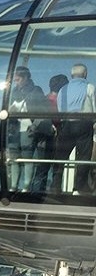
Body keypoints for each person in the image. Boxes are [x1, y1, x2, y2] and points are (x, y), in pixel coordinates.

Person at [51, 64, 95, 195]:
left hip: (66, 126)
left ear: (71, 75)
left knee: (61, 156)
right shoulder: (89, 87)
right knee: (83, 157)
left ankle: (55, 186)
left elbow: (60, 109)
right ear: (85, 74)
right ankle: (79, 188)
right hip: (84, 125)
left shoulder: (63, 89)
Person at [6, 66, 51, 192]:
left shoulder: (36, 91)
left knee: (27, 157)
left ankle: (26, 186)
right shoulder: (15, 91)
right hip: (15, 128)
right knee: (14, 157)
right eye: (15, 80)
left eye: (18, 79)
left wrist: (35, 125)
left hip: (28, 128)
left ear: (26, 78)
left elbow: (42, 111)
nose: (16, 83)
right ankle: (13, 186)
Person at [32, 74, 67, 193]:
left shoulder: (45, 99)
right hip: (58, 137)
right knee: (58, 167)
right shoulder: (63, 102)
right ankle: (55, 192)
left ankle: (37, 193)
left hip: (43, 138)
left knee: (42, 167)